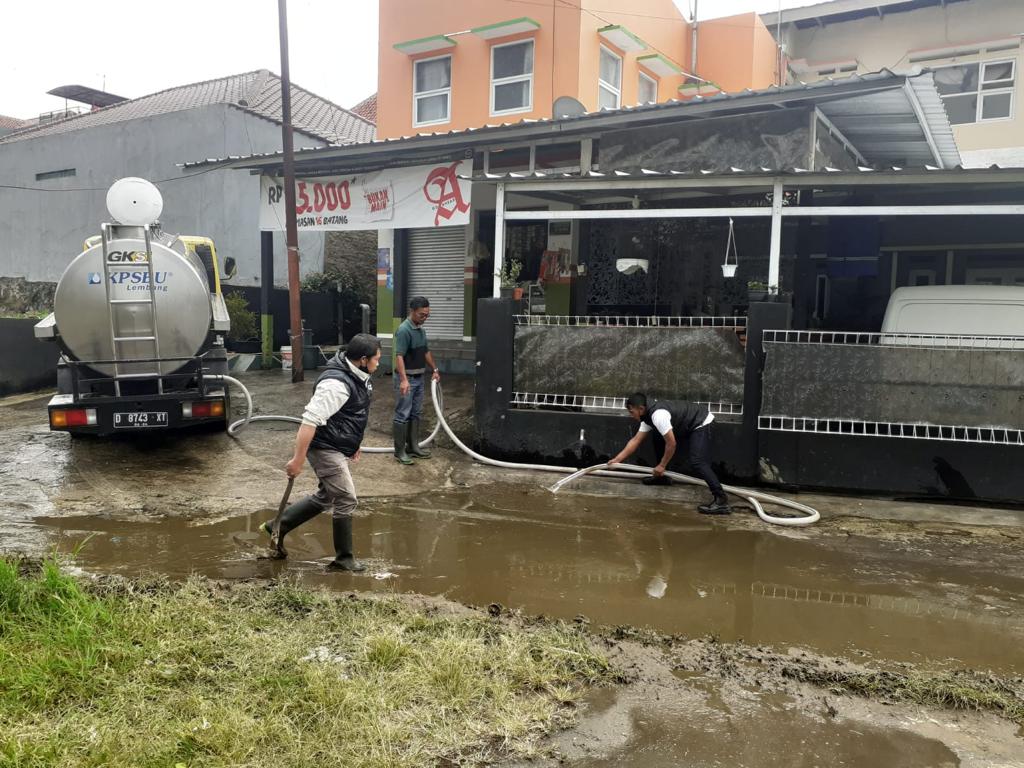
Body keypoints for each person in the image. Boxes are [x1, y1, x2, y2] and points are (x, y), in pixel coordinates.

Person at [259, 333, 382, 571]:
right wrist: (297, 459)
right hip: (324, 447)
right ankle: (343, 560)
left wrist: (353, 444)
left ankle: (278, 525)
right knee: (345, 497)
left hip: (337, 445)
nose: (379, 363)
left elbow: (352, 414)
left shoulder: (359, 375)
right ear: (364, 359)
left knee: (328, 495)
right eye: (377, 359)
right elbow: (309, 422)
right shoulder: (335, 385)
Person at [608, 392, 731, 515]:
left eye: (631, 412)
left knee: (698, 462)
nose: (631, 415)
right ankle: (662, 478)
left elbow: (672, 444)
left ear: (641, 408)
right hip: (688, 422)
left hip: (702, 422)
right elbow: (636, 440)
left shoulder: (658, 416)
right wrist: (617, 460)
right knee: (657, 437)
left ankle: (721, 501)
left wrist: (661, 466)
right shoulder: (647, 417)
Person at [392, 296, 441, 464]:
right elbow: (399, 356)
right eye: (422, 315)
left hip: (419, 377)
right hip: (407, 379)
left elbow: (425, 351)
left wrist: (434, 369)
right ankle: (400, 452)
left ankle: (413, 446)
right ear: (412, 311)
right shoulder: (404, 330)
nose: (425, 318)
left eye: (427, 315)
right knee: (402, 414)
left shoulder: (420, 330)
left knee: (416, 413)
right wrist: (404, 380)